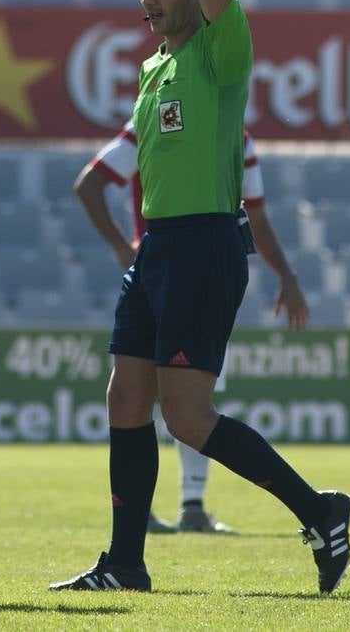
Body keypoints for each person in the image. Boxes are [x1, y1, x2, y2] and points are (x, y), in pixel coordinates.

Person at [50, 0, 350, 597]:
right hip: (159, 251)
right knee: (124, 394)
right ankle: (125, 562)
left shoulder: (221, 49)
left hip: (205, 246)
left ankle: (319, 510)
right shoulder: (154, 70)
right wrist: (133, 251)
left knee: (187, 416)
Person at [76, 124, 310, 534]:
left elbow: (255, 214)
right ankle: (168, 513)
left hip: (185, 272)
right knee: (150, 398)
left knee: (173, 401)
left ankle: (186, 507)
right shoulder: (166, 125)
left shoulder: (234, 135)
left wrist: (287, 275)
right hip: (168, 271)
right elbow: (89, 184)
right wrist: (120, 247)